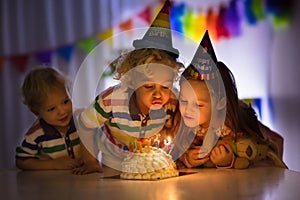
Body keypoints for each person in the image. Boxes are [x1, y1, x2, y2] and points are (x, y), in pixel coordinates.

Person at [72, 0, 184, 175]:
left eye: (165, 87)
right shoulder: (110, 101)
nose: (158, 94)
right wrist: (91, 161)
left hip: (153, 166)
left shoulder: (172, 100)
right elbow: (86, 126)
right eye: (148, 86)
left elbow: (174, 130)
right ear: (132, 80)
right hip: (115, 163)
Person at [172, 30, 286, 169]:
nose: (188, 109)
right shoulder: (180, 124)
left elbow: (258, 160)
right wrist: (186, 158)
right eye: (184, 101)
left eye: (198, 105)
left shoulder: (233, 127)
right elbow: (173, 151)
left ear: (219, 104)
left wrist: (229, 161)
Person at [15, 67, 83, 170]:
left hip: (82, 180)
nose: (62, 111)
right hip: (51, 183)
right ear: (37, 112)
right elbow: (21, 161)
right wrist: (53, 164)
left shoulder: (82, 119)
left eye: (65, 101)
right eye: (51, 109)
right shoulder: (36, 134)